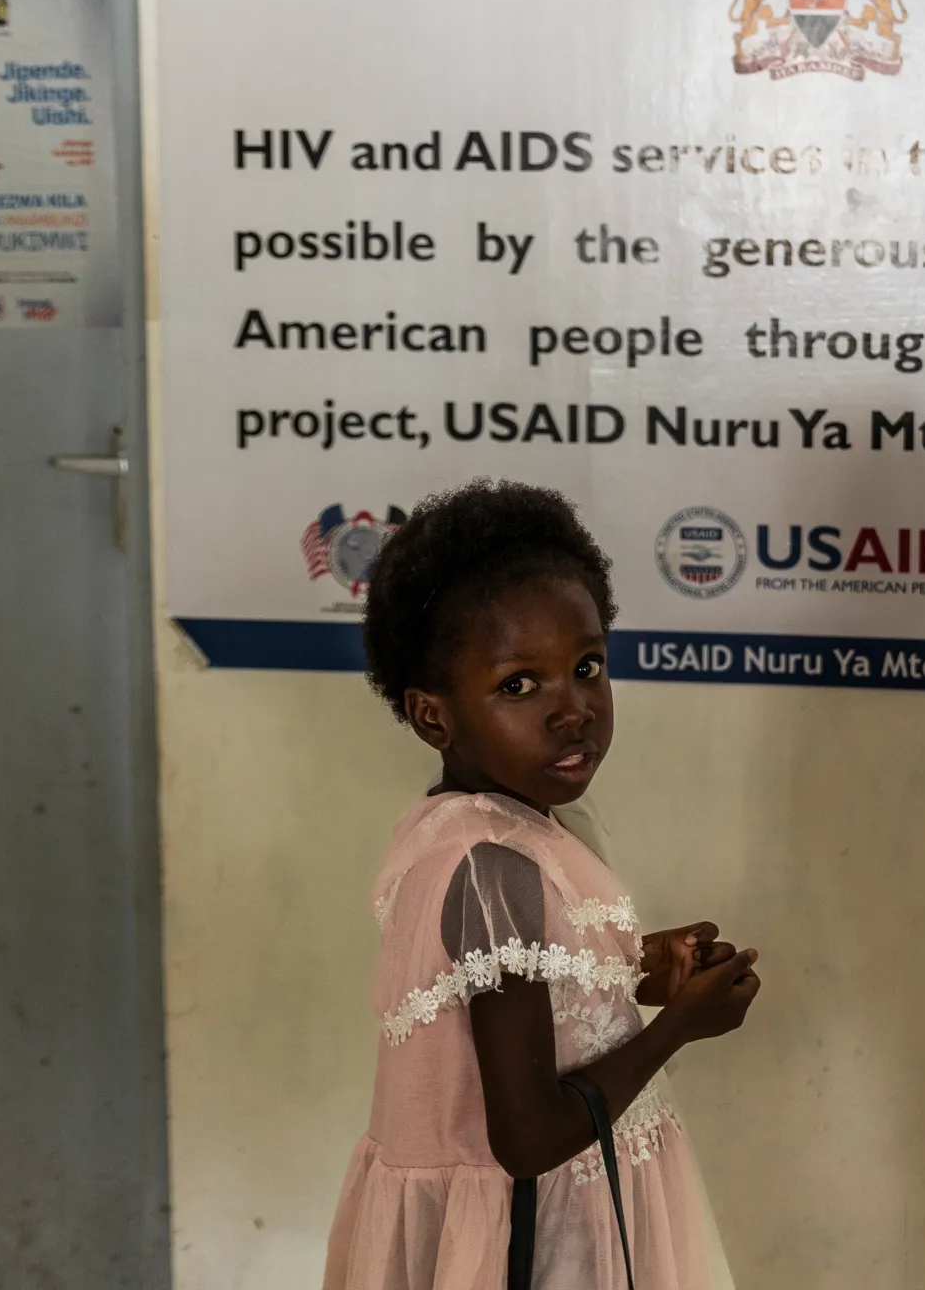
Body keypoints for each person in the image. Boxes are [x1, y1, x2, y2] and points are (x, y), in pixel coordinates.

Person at [324, 482, 759, 1290]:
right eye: (520, 685)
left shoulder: (489, 827)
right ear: (432, 716)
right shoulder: (493, 867)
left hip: (554, 1217)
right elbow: (527, 1138)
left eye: (587, 667)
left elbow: (517, 1001)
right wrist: (675, 1030)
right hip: (525, 1246)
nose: (573, 711)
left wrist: (629, 968)